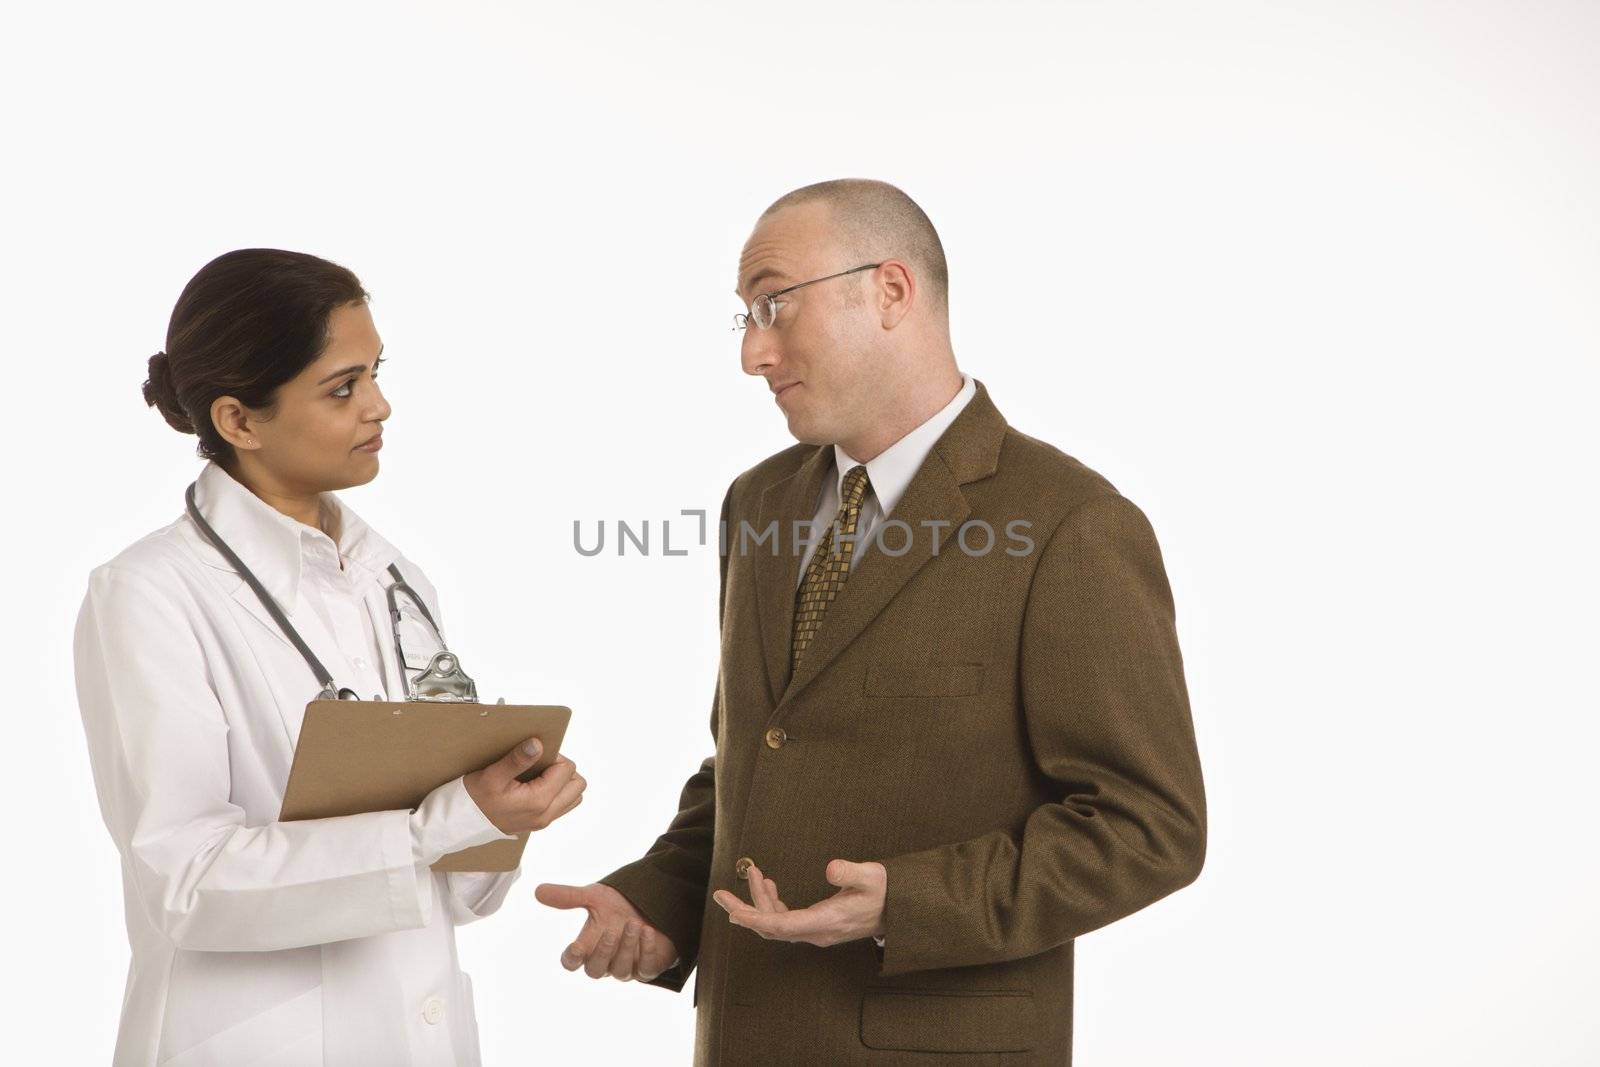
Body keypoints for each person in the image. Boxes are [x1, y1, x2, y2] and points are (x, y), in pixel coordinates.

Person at [535, 180, 1206, 1064]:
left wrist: (909, 902)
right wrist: (659, 897)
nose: (753, 354)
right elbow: (761, 753)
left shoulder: (1069, 522)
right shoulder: (758, 502)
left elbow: (1149, 824)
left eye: (774, 304)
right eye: (743, 316)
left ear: (891, 291)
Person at [74, 249, 585, 1066]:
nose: (381, 405)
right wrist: (440, 824)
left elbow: (447, 884)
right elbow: (187, 880)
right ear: (239, 420)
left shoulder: (394, 578)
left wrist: (500, 816)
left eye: (376, 372)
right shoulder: (149, 592)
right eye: (343, 387)